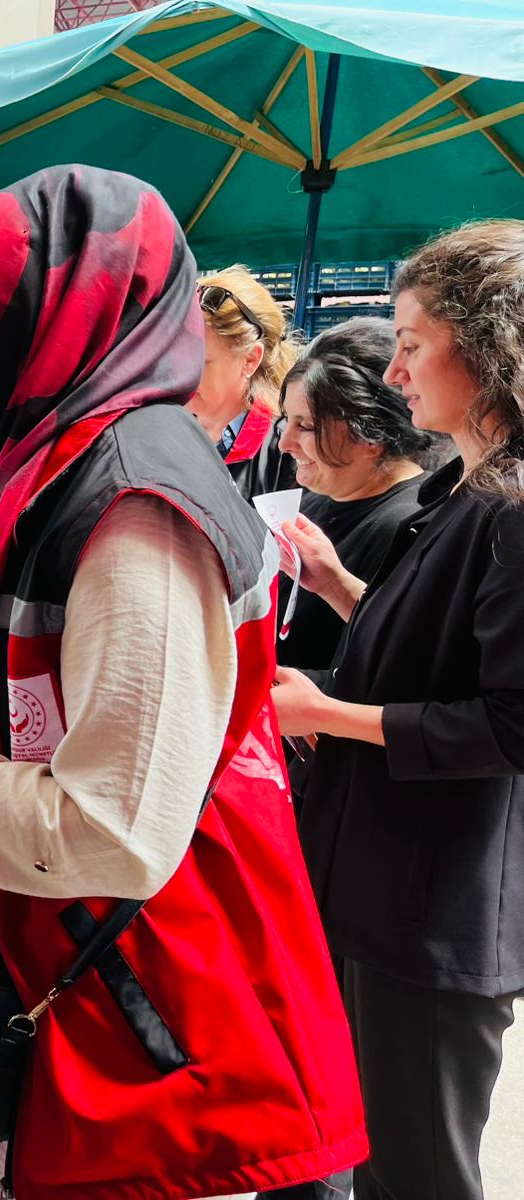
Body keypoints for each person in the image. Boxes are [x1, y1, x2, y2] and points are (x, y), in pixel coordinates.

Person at [0, 167, 365, 1198]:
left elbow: (110, 826)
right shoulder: (76, 461)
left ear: (36, 334)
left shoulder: (136, 513)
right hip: (105, 970)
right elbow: (64, 697)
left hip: (159, 1001)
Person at [274, 221, 524, 1200]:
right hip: (384, 886)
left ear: (488, 347)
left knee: (414, 1174)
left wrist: (330, 714)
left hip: (435, 910)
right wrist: (342, 589)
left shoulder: (510, 509)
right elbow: (436, 651)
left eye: (413, 344)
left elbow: (509, 725)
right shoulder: (465, 490)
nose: (396, 370)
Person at [274, 318, 437, 673]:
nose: (284, 443)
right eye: (286, 420)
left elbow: (398, 670)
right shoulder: (316, 498)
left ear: (371, 437)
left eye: (305, 426)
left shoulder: (412, 527)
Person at [191, 265, 297, 499]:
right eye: (176, 355)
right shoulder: (166, 428)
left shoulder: (287, 450)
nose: (183, 372)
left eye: (201, 362)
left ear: (250, 360)